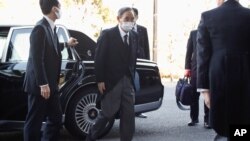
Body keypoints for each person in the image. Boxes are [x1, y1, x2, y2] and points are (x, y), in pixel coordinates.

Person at [23, 0, 78, 141]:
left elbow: (50, 47)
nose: (61, 9)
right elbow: (37, 58)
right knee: (34, 122)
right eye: (60, 7)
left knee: (56, 118)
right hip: (40, 86)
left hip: (51, 85)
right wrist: (43, 84)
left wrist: (66, 44)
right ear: (54, 9)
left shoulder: (51, 27)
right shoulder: (40, 28)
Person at [197, 0, 250, 140]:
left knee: (222, 118)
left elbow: (202, 55)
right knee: (243, 116)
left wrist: (204, 89)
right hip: (246, 74)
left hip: (218, 75)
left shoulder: (207, 16)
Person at [86, 7, 138, 141]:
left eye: (132, 19)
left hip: (128, 82)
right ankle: (90, 137)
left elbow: (133, 61)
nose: (130, 22)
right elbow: (99, 59)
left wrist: (132, 80)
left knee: (129, 116)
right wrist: (100, 80)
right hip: (111, 81)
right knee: (107, 114)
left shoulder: (134, 36)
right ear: (118, 19)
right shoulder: (108, 35)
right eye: (126, 19)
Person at [184, 30, 210, 129]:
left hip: (208, 68)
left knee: (207, 93)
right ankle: (193, 118)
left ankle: (207, 120)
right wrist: (187, 68)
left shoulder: (211, 32)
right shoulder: (193, 33)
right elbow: (188, 52)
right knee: (194, 94)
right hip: (195, 68)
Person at [132, 7, 148, 119]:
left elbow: (146, 47)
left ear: (137, 17)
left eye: (133, 16)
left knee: (139, 86)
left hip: (140, 61)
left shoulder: (143, 29)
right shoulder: (123, 28)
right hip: (127, 62)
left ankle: (139, 110)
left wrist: (147, 61)